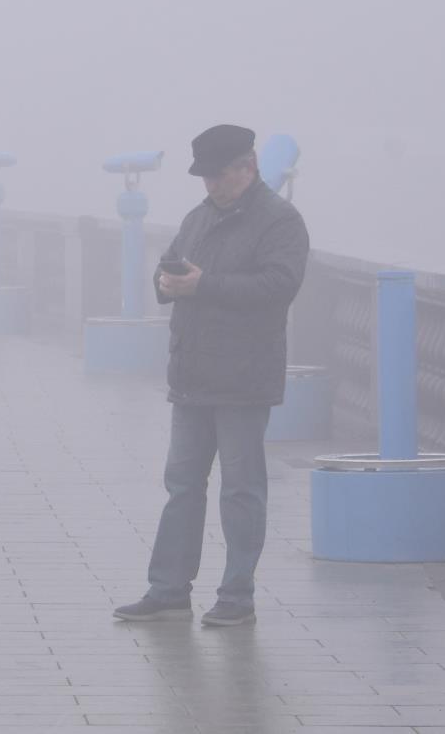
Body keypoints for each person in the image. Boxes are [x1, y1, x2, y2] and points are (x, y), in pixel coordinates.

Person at [114, 124, 310, 628]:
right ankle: (169, 590)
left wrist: (203, 285)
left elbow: (280, 285)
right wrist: (166, 281)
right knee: (182, 485)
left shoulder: (280, 221)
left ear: (247, 167)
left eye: (218, 176)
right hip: (192, 374)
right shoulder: (198, 218)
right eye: (204, 177)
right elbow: (173, 272)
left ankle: (236, 596)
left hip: (244, 378)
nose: (210, 186)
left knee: (241, 490)